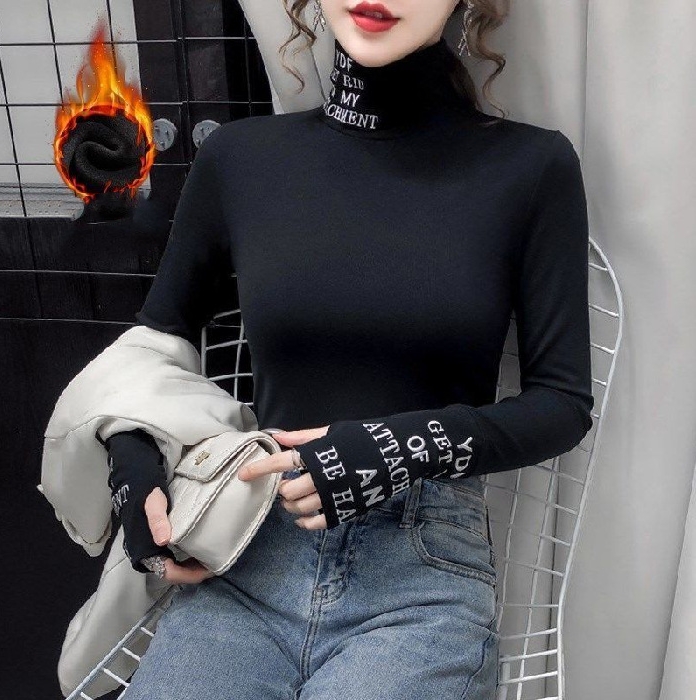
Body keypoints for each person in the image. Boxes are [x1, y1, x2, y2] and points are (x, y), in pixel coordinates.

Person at [104, 0, 594, 697]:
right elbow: (156, 344)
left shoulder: (530, 165)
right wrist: (133, 467)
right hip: (247, 554)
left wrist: (401, 447)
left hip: (418, 578)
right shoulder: (241, 159)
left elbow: (563, 404)